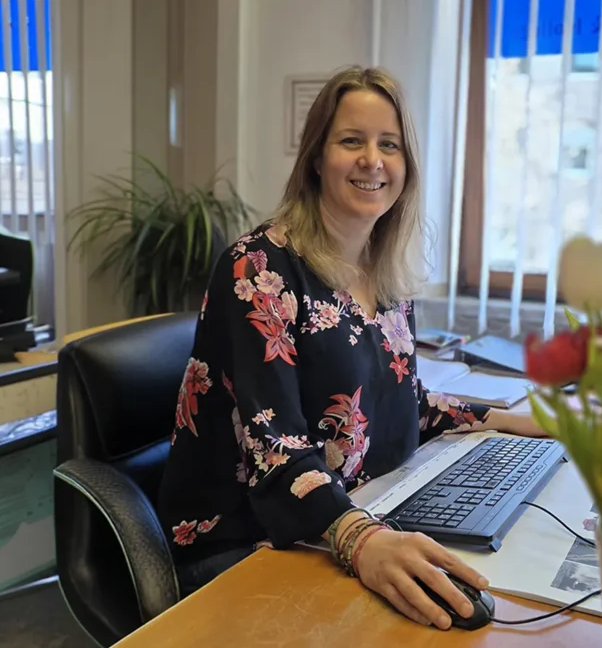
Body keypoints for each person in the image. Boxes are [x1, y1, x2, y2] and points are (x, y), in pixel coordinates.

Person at [157, 66, 544, 630]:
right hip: (247, 541)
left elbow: (408, 404)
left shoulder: (385, 276)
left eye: (389, 144)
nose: (372, 160)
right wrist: (362, 540)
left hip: (345, 516)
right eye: (351, 141)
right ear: (317, 157)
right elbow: (275, 447)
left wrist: (508, 420)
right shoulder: (258, 268)